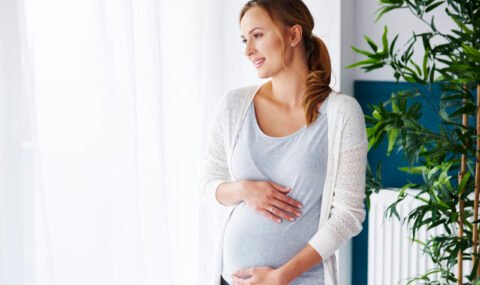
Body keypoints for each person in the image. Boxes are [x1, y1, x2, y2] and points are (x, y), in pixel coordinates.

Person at [198, 0, 368, 284]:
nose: (248, 50)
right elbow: (207, 185)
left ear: (293, 35)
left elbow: (348, 216)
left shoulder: (342, 114)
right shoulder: (234, 105)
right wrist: (244, 189)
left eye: (258, 35)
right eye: (244, 39)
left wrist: (280, 277)